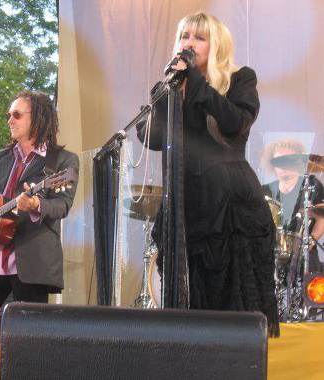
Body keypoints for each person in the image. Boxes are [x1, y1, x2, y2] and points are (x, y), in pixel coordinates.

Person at [137, 12, 279, 336]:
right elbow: (152, 137)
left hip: (231, 206)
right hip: (187, 204)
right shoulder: (172, 87)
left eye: (199, 38)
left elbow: (235, 123)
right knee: (189, 308)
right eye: (185, 37)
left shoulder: (240, 79)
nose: (189, 44)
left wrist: (198, 83)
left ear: (216, 45)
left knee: (231, 306)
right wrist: (166, 93)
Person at [0, 90, 79, 380]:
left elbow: (63, 205)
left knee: (29, 343)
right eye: (9, 114)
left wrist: (35, 204)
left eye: (17, 114)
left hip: (30, 262)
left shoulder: (62, 162)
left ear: (39, 119)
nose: (10, 119)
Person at [261, 139, 324, 271]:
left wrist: (309, 243)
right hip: (271, 251)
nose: (284, 167)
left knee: (311, 281)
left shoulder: (312, 186)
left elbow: (321, 218)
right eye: (280, 162)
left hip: (305, 250)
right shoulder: (265, 191)